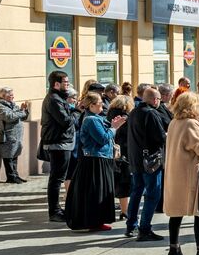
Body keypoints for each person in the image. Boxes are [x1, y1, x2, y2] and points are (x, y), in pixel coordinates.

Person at [163, 92, 199, 255]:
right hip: (190, 174)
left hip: (175, 172)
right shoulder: (191, 123)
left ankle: (174, 249)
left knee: (176, 214)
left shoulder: (174, 122)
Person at [66, 92, 125, 231]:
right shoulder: (91, 120)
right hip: (95, 160)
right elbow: (103, 138)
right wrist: (114, 128)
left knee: (100, 191)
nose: (102, 105)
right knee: (96, 191)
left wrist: (113, 125)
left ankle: (97, 221)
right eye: (99, 103)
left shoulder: (95, 118)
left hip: (100, 158)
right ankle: (93, 221)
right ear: (91, 105)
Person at [126, 87, 167, 241]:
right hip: (150, 161)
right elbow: (160, 137)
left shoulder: (134, 112)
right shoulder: (151, 113)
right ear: (155, 99)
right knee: (152, 194)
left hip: (136, 159)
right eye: (158, 99)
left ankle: (131, 225)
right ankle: (144, 228)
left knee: (136, 192)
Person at [41, 70, 76, 221]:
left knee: (58, 178)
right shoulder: (54, 99)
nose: (67, 85)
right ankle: (54, 212)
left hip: (62, 142)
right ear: (56, 84)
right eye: (65, 83)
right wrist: (76, 111)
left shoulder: (58, 98)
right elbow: (66, 121)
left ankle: (56, 210)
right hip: (58, 143)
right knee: (56, 179)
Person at [0, 87, 29, 184]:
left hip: (15, 135)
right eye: (10, 95)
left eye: (12, 95)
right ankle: (11, 176)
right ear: (3, 96)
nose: (13, 97)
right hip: (7, 135)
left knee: (14, 154)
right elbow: (10, 117)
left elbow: (21, 116)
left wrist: (24, 110)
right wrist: (21, 112)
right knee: (8, 155)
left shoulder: (12, 104)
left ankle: (15, 175)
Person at [107, 95, 133, 218]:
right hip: (124, 152)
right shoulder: (125, 118)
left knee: (112, 181)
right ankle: (124, 211)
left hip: (110, 151)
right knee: (124, 183)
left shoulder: (108, 115)